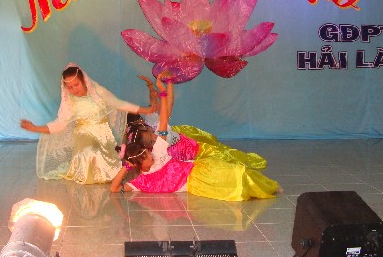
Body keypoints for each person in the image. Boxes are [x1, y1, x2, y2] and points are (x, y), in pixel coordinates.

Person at [110, 74, 282, 201]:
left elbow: (163, 121)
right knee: (234, 185)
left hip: (198, 169)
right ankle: (261, 188)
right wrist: (126, 166)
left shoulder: (158, 152)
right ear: (137, 164)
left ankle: (269, 186)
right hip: (195, 184)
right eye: (146, 156)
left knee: (236, 171)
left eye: (147, 152)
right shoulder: (141, 182)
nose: (150, 154)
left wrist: (162, 91)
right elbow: (114, 188)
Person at [21, 63, 157, 184]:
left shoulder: (98, 93)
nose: (74, 89)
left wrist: (145, 110)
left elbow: (118, 104)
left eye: (76, 85)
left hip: (103, 135)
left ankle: (106, 168)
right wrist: (35, 128)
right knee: (90, 152)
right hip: (84, 135)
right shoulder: (70, 103)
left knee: (103, 158)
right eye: (70, 87)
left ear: (84, 81)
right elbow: (60, 124)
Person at [133, 75, 268, 169]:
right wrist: (165, 86)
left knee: (220, 154)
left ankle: (236, 162)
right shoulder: (159, 140)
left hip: (186, 145)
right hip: (186, 152)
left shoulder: (154, 127)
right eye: (150, 139)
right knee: (217, 159)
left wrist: (159, 85)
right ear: (147, 148)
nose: (153, 136)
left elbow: (159, 103)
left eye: (150, 134)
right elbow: (167, 104)